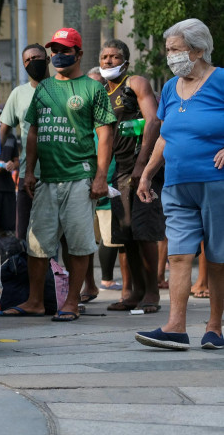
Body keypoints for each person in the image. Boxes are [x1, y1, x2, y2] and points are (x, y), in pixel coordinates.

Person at [0, 28, 116, 321]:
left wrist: (101, 177)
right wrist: (28, 172)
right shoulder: (44, 88)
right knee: (37, 245)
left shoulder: (93, 89)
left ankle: (71, 303)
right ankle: (35, 301)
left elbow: (105, 135)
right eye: (55, 51)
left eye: (65, 50)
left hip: (80, 176)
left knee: (78, 243)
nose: (58, 56)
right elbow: (33, 132)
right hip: (46, 179)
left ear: (78, 54)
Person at [135, 19, 224, 350]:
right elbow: (164, 134)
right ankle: (176, 326)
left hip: (216, 181)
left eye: (175, 50)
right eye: (168, 50)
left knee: (216, 257)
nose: (169, 56)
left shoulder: (221, 80)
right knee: (178, 255)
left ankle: (214, 327)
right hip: (176, 183)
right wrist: (146, 172)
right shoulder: (171, 87)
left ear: (198, 50)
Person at [98, 39, 164, 314]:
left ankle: (152, 292)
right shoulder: (101, 91)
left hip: (143, 168)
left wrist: (142, 167)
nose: (108, 61)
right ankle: (135, 291)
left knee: (144, 231)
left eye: (114, 56)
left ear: (125, 61)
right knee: (126, 234)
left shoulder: (135, 82)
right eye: (104, 57)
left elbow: (153, 120)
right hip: (119, 171)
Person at [80, 68, 127, 303]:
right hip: (82, 185)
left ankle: (107, 279)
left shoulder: (111, 113)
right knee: (87, 238)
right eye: (91, 85)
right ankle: (90, 284)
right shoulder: (79, 114)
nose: (96, 90)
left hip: (110, 184)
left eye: (101, 85)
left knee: (110, 237)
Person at [0, 43, 50, 240]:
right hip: (28, 177)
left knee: (58, 235)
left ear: (48, 60)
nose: (31, 63)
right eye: (27, 60)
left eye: (36, 58)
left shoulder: (61, 89)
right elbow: (3, 131)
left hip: (60, 174)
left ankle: (56, 271)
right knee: (25, 235)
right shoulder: (18, 94)